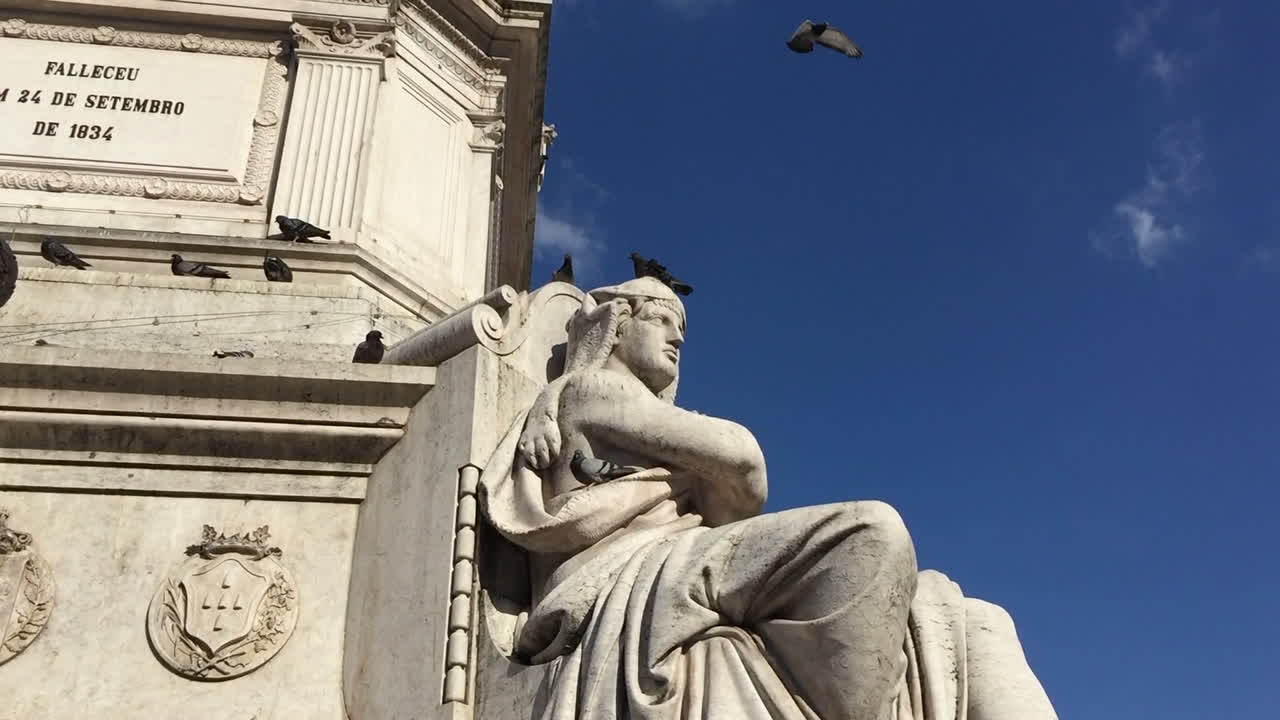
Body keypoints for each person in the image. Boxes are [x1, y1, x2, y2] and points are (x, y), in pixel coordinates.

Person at [480, 277, 1057, 720]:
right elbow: (745, 462)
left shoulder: (646, 418)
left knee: (970, 617)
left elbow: (740, 497)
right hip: (628, 573)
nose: (678, 337)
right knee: (869, 533)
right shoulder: (591, 389)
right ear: (617, 321)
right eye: (661, 318)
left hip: (681, 563)